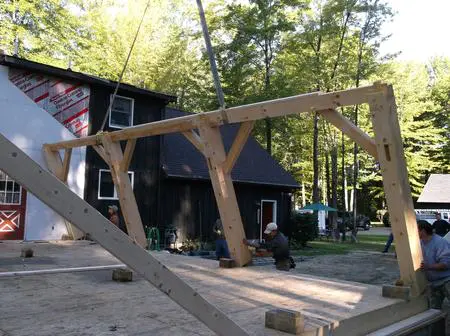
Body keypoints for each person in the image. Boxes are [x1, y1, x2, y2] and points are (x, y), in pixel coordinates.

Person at [418, 220, 450, 309]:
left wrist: (428, 266)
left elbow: (445, 264)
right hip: (433, 283)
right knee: (434, 311)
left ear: (423, 231)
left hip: (447, 281)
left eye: (415, 230)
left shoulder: (440, 242)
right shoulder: (419, 243)